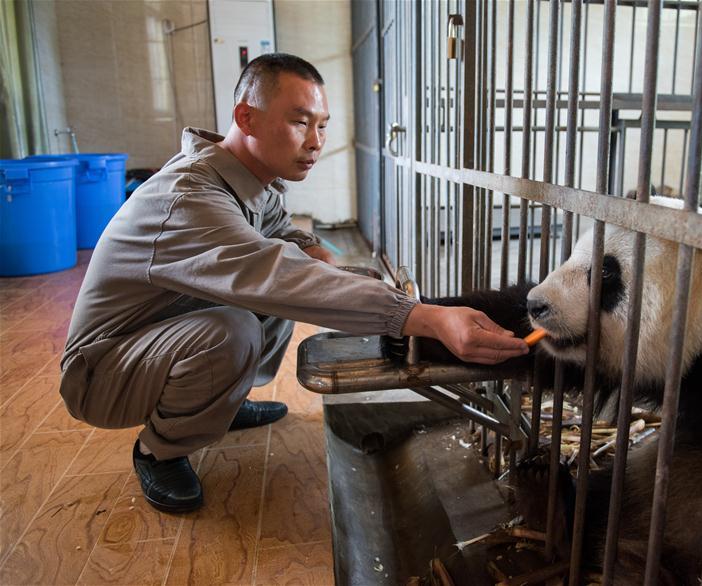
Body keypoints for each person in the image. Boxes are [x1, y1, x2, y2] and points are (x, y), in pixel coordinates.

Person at [59, 53, 528, 514]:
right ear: (246, 117)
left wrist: (316, 252)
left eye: (322, 125)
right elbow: (277, 275)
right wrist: (422, 317)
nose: (316, 141)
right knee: (236, 328)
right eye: (300, 122)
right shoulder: (189, 197)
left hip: (154, 341)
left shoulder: (248, 179)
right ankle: (158, 450)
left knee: (279, 291)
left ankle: (212, 405)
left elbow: (283, 232)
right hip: (102, 372)